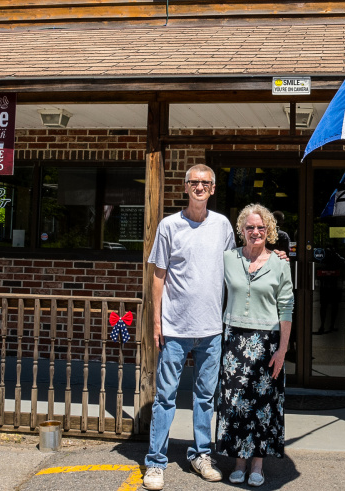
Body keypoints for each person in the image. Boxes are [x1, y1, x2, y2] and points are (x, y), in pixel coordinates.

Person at [143, 164, 233, 491]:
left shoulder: (222, 225)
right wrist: (156, 321)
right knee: (165, 397)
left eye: (205, 183)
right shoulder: (169, 226)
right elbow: (158, 276)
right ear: (185, 187)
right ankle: (155, 463)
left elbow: (231, 271)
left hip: (211, 329)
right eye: (193, 182)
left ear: (212, 189)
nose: (199, 187)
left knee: (205, 398)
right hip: (175, 329)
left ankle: (201, 455)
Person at [216, 205, 293, 488]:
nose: (255, 232)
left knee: (263, 405)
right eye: (250, 227)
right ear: (242, 230)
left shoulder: (280, 263)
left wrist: (282, 350)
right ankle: (238, 461)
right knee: (235, 404)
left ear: (269, 230)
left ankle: (258, 463)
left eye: (261, 228)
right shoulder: (227, 258)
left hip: (268, 341)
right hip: (234, 340)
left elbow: (287, 308)